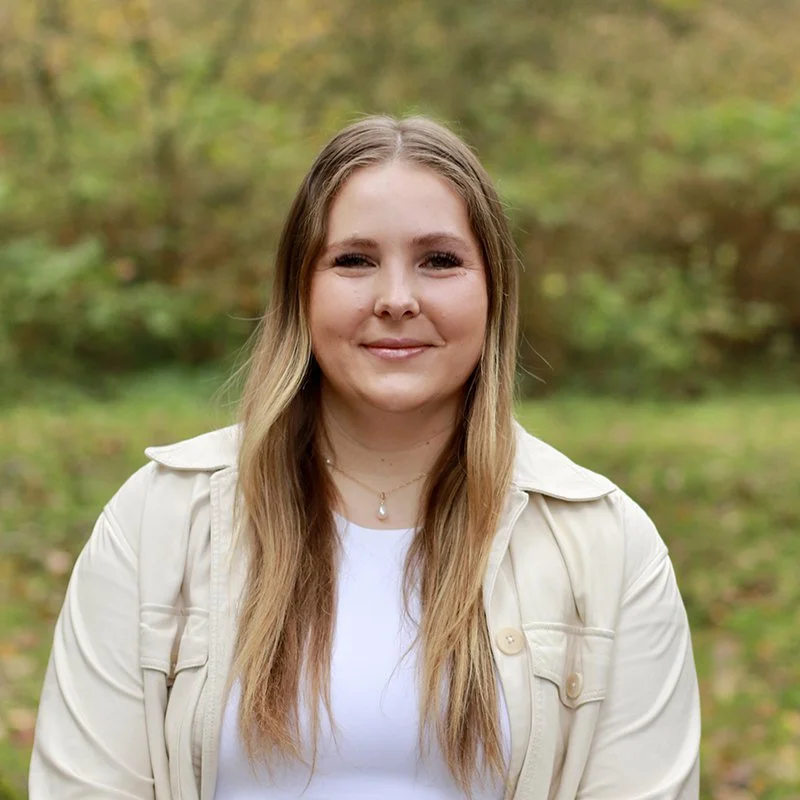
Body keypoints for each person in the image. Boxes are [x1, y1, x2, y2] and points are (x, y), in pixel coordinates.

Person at [29, 115, 701, 799]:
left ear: (493, 291)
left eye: (439, 260)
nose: (397, 300)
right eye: (354, 260)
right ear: (300, 290)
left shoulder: (606, 544)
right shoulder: (159, 519)